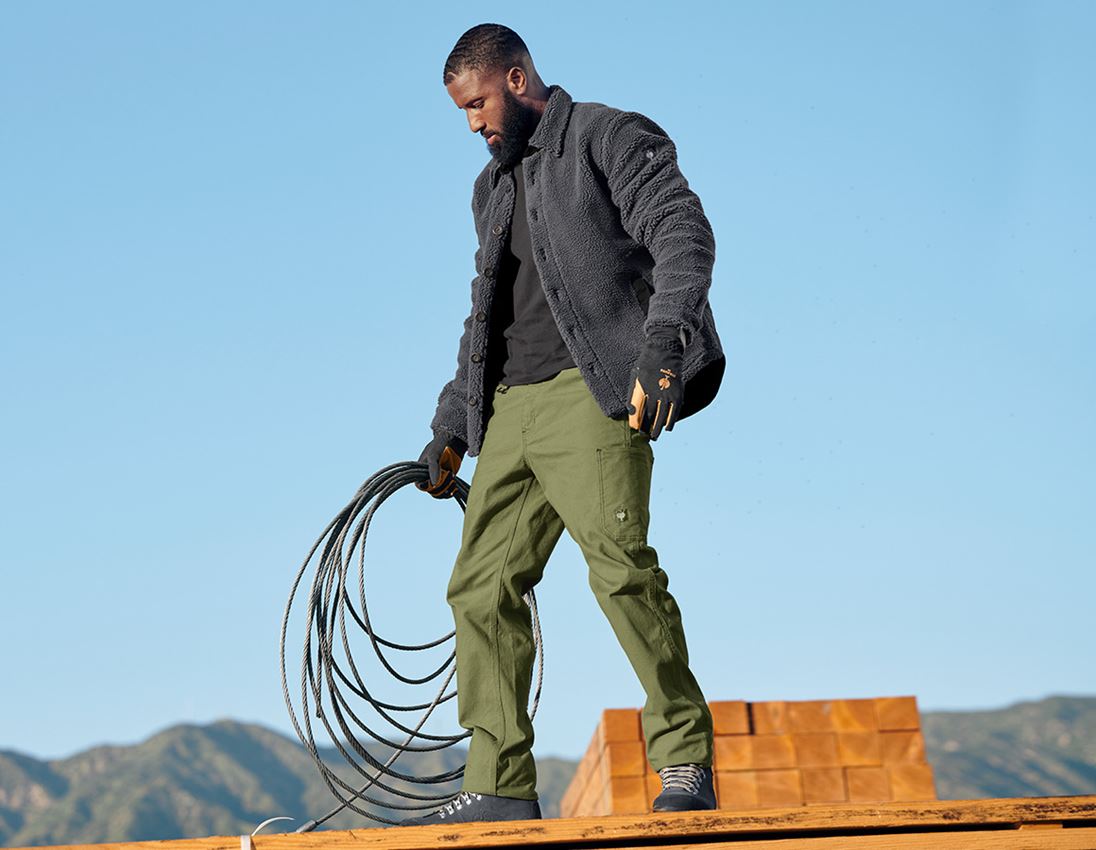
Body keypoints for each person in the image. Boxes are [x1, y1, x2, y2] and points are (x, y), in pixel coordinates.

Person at [407, 23, 726, 825]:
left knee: (619, 568)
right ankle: (500, 785)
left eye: (477, 103)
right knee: (479, 587)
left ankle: (684, 758)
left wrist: (661, 352)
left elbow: (684, 236)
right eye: (462, 112)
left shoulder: (609, 136)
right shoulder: (492, 189)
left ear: (517, 79)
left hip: (595, 393)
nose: (473, 123)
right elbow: (485, 317)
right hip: (508, 413)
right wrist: (452, 425)